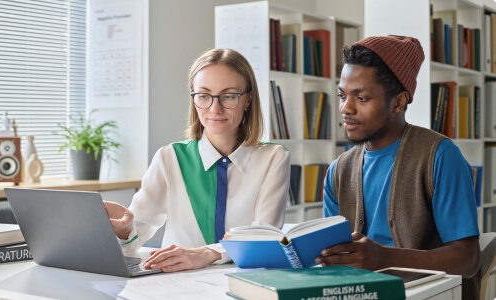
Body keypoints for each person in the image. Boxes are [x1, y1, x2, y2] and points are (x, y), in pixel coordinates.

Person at [317, 35, 480, 299]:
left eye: (361, 98)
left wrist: (384, 258)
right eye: (342, 95)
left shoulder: (440, 156)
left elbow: (467, 260)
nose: (346, 108)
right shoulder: (338, 171)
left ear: (399, 102)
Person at [105, 48, 290, 272]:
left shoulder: (273, 158)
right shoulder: (169, 157)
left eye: (229, 96)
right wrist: (124, 230)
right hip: (179, 286)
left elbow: (266, 235)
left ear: (248, 100)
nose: (215, 108)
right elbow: (135, 236)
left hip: (246, 283)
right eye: (203, 96)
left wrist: (208, 253)